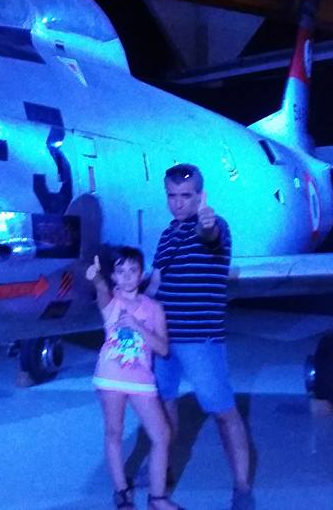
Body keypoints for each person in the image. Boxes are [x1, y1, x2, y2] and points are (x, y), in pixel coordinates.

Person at [144, 164, 254, 510]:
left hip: (200, 340)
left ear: (200, 196)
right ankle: (164, 471)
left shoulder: (215, 225)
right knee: (164, 406)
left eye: (186, 196)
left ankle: (242, 487)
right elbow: (156, 284)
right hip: (163, 340)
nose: (178, 203)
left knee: (223, 412)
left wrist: (207, 223)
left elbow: (210, 235)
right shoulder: (168, 234)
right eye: (172, 195)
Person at [87, 246, 183, 510]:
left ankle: (157, 498)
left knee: (161, 434)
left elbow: (163, 349)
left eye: (133, 270)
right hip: (111, 378)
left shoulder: (154, 308)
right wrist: (96, 277)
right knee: (114, 432)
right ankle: (121, 492)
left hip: (142, 380)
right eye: (121, 271)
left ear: (142, 274)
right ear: (114, 276)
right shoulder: (111, 302)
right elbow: (101, 289)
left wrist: (137, 326)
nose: (127, 276)